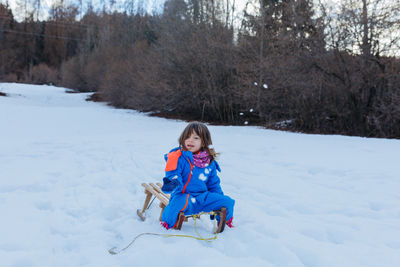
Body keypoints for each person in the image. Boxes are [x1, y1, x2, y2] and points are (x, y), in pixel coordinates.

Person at [160, 121, 235, 230]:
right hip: (184, 197)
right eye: (187, 137)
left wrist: (218, 199)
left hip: (203, 198)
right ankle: (168, 221)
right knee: (176, 203)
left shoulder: (209, 162)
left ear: (204, 142)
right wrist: (173, 183)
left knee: (227, 201)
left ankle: (223, 220)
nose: (190, 140)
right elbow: (173, 174)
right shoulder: (177, 158)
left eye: (196, 138)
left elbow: (213, 184)